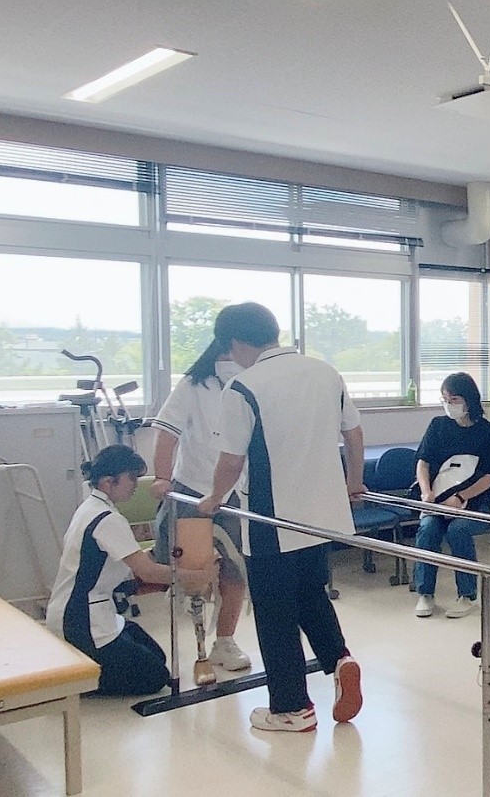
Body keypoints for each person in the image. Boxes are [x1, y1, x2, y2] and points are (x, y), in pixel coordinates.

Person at [198, 302, 367, 733]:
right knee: (309, 593)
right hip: (323, 515)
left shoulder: (242, 387)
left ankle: (292, 708)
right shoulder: (324, 372)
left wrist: (213, 498)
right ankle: (339, 659)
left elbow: (231, 459)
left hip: (272, 520)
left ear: (236, 342)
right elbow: (353, 433)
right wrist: (354, 483)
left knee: (274, 612)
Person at [47, 445, 216, 696]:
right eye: (132, 478)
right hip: (80, 621)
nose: (136, 485)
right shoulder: (107, 519)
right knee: (155, 677)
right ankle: (75, 680)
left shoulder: (90, 507)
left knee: (157, 657)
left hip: (84, 611)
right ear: (108, 481)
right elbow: (147, 573)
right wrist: (199, 577)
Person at [150, 337, 252, 673]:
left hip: (235, 493)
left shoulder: (251, 384)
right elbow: (167, 434)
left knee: (236, 572)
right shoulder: (193, 386)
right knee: (194, 574)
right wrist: (162, 477)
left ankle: (225, 641)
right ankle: (197, 646)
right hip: (193, 491)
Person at [410, 372, 490, 619]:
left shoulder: (489, 433)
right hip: (438, 499)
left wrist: (461, 497)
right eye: (445, 399)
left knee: (458, 530)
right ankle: (425, 593)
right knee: (428, 529)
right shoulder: (438, 426)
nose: (449, 404)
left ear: (469, 400)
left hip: (474, 502)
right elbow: (423, 463)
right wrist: (426, 492)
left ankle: (467, 595)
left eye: (454, 399)